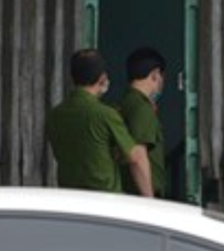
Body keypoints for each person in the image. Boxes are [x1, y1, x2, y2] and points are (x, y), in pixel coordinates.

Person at [46, 49, 153, 197]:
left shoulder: (55, 115)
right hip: (105, 199)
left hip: (70, 198)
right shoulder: (105, 114)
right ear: (102, 78)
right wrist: (150, 200)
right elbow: (136, 158)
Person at [119, 47, 167, 198]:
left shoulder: (125, 102)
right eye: (162, 76)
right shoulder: (142, 107)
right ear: (155, 74)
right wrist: (149, 199)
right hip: (142, 196)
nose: (162, 82)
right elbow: (138, 156)